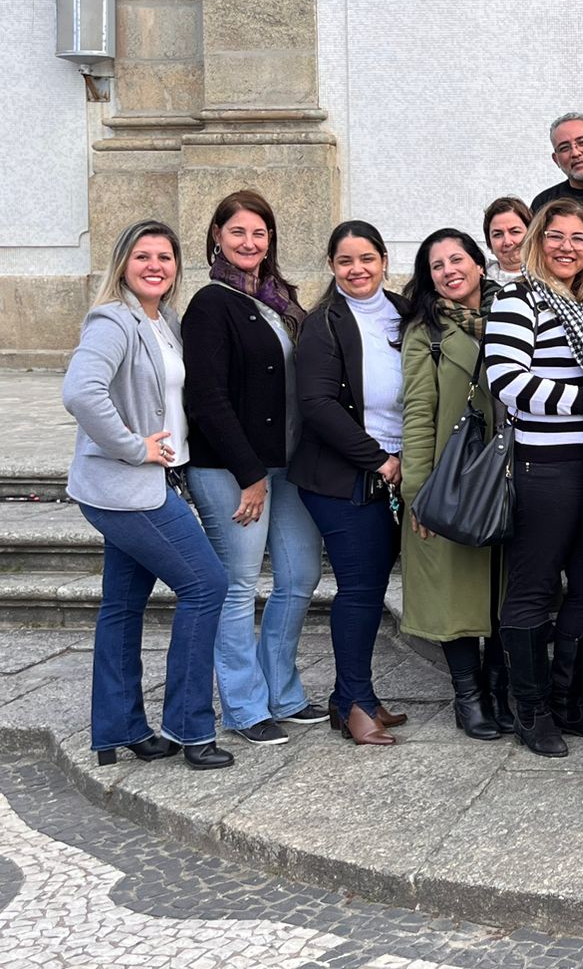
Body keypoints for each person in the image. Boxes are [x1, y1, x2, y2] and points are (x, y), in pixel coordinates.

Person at [65, 220, 232, 772]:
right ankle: (190, 727)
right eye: (143, 256)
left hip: (144, 485)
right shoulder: (113, 320)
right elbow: (80, 391)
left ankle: (119, 729)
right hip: (127, 489)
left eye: (165, 256)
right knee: (207, 584)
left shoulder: (165, 322)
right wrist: (134, 448)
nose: (155, 265)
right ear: (123, 264)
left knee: (122, 604)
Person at [485, 199, 583, 757]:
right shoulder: (519, 300)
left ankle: (569, 702)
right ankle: (532, 709)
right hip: (544, 469)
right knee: (534, 589)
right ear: (536, 242)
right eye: (556, 236)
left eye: (579, 239)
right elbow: (509, 383)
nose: (568, 247)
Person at [182, 191, 324, 748]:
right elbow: (208, 397)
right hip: (232, 469)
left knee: (298, 577)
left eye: (259, 233)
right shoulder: (210, 304)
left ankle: (282, 691)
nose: (249, 242)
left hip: (287, 464)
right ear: (216, 236)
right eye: (237, 232)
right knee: (239, 584)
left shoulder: (278, 301)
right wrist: (248, 474)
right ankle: (243, 707)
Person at [288, 220, 409, 747]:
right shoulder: (324, 324)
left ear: (383, 260)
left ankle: (350, 696)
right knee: (360, 590)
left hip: (393, 472)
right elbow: (317, 406)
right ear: (332, 267)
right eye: (345, 261)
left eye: (366, 258)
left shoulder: (405, 312)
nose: (357, 270)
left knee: (374, 586)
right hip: (343, 478)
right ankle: (356, 702)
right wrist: (378, 459)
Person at [399, 228, 506, 742]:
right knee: (452, 591)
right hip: (452, 477)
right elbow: (418, 413)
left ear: (479, 265)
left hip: (508, 472)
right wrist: (417, 492)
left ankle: (500, 684)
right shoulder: (428, 332)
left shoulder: (513, 313)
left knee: (504, 590)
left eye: (456, 259)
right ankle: (470, 697)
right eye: (436, 265)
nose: (448, 271)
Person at [482, 196, 533, 287]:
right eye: (498, 234)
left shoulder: (552, 278)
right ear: (489, 243)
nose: (507, 242)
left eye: (515, 232)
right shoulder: (478, 284)